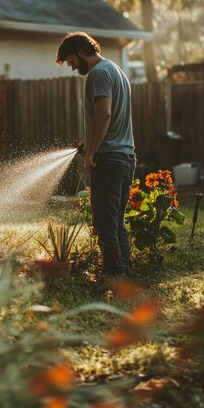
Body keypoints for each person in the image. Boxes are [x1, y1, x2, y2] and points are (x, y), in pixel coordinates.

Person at [56, 31, 136, 278]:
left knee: (104, 224)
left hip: (109, 160)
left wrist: (91, 153)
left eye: (71, 61)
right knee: (116, 222)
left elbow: (104, 114)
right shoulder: (116, 71)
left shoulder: (98, 74)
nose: (72, 67)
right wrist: (88, 142)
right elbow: (108, 121)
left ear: (81, 52)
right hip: (125, 157)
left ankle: (115, 275)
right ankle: (124, 272)